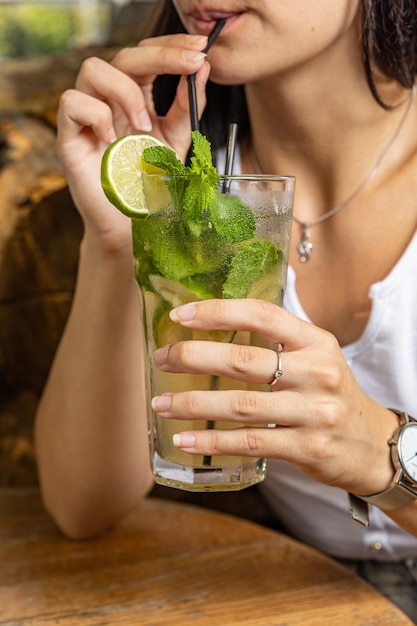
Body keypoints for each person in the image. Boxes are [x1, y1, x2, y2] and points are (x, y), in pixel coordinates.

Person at [35, 0, 417, 619]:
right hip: (297, 590)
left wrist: (384, 457)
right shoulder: (193, 183)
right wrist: (116, 242)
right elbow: (82, 506)